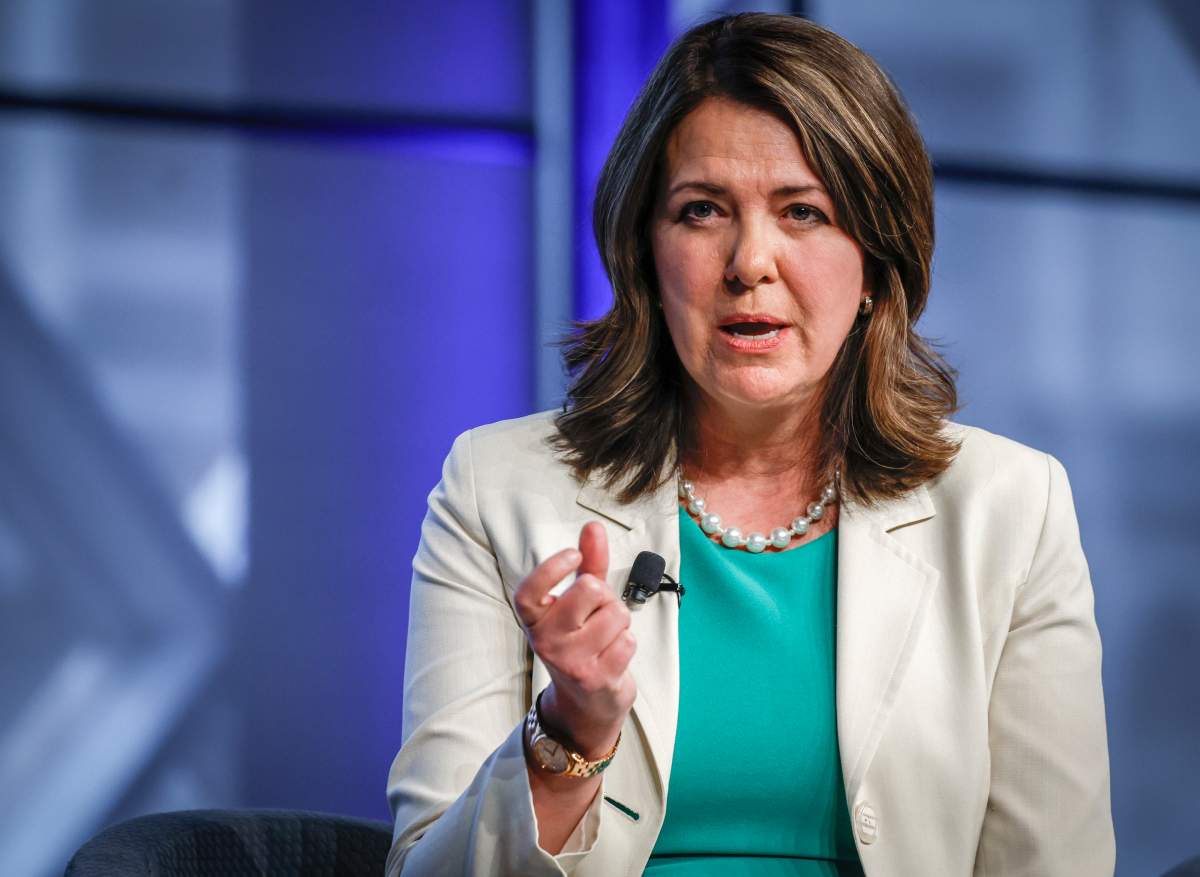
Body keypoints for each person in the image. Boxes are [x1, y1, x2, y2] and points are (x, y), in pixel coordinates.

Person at [385, 13, 1114, 877]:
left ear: (878, 263)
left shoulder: (1011, 509)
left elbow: (1054, 863)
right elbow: (424, 871)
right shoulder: (495, 489)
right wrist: (565, 736)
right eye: (702, 212)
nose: (750, 262)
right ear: (644, 253)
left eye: (803, 211)